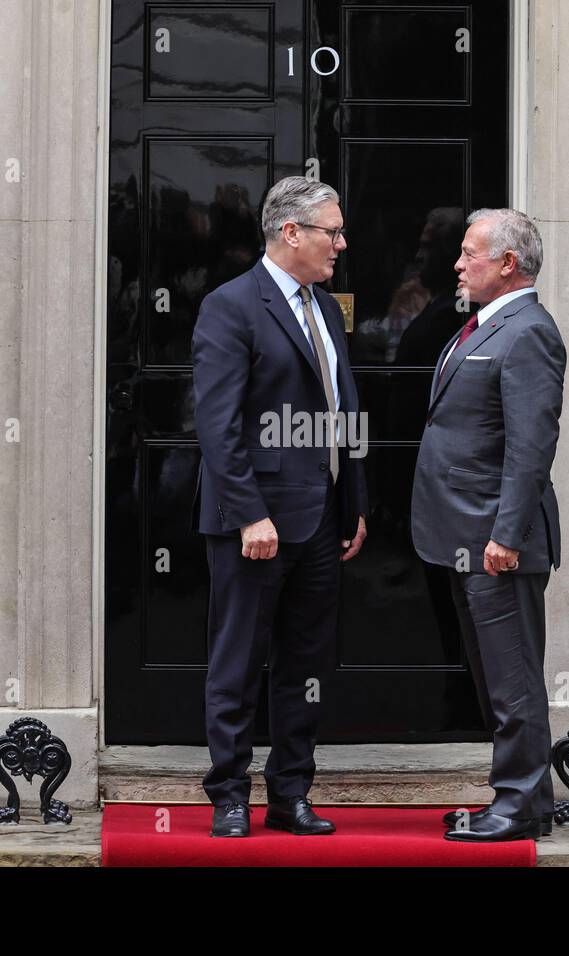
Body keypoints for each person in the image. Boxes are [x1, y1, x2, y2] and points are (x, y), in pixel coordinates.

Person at [191, 176, 368, 838]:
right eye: (333, 231)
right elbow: (218, 425)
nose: (342, 243)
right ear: (291, 232)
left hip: (320, 519)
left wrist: (353, 501)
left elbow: (340, 408)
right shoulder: (230, 306)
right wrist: (249, 514)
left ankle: (291, 792)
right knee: (237, 660)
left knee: (304, 664)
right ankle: (229, 793)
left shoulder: (324, 308)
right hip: (255, 523)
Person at [410, 207, 565, 842]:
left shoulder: (528, 331)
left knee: (513, 679)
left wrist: (505, 534)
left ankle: (518, 803)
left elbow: (531, 447)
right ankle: (527, 802)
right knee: (494, 676)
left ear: (506, 263)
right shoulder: (485, 326)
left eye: (470, 253)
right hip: (465, 534)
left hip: (496, 540)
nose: (457, 262)